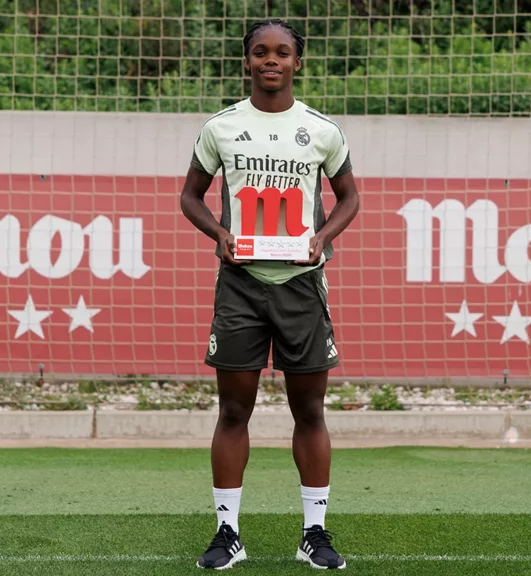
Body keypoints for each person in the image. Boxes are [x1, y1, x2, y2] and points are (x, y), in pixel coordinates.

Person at [179, 18, 360, 571]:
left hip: (302, 286)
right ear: (247, 60)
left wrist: (322, 239)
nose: (271, 61)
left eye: (282, 52)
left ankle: (315, 533)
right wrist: (220, 235)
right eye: (261, 52)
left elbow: (350, 198)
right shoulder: (223, 127)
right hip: (241, 285)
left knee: (309, 409)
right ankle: (227, 532)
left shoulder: (322, 130)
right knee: (234, 409)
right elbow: (190, 196)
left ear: (297, 62)